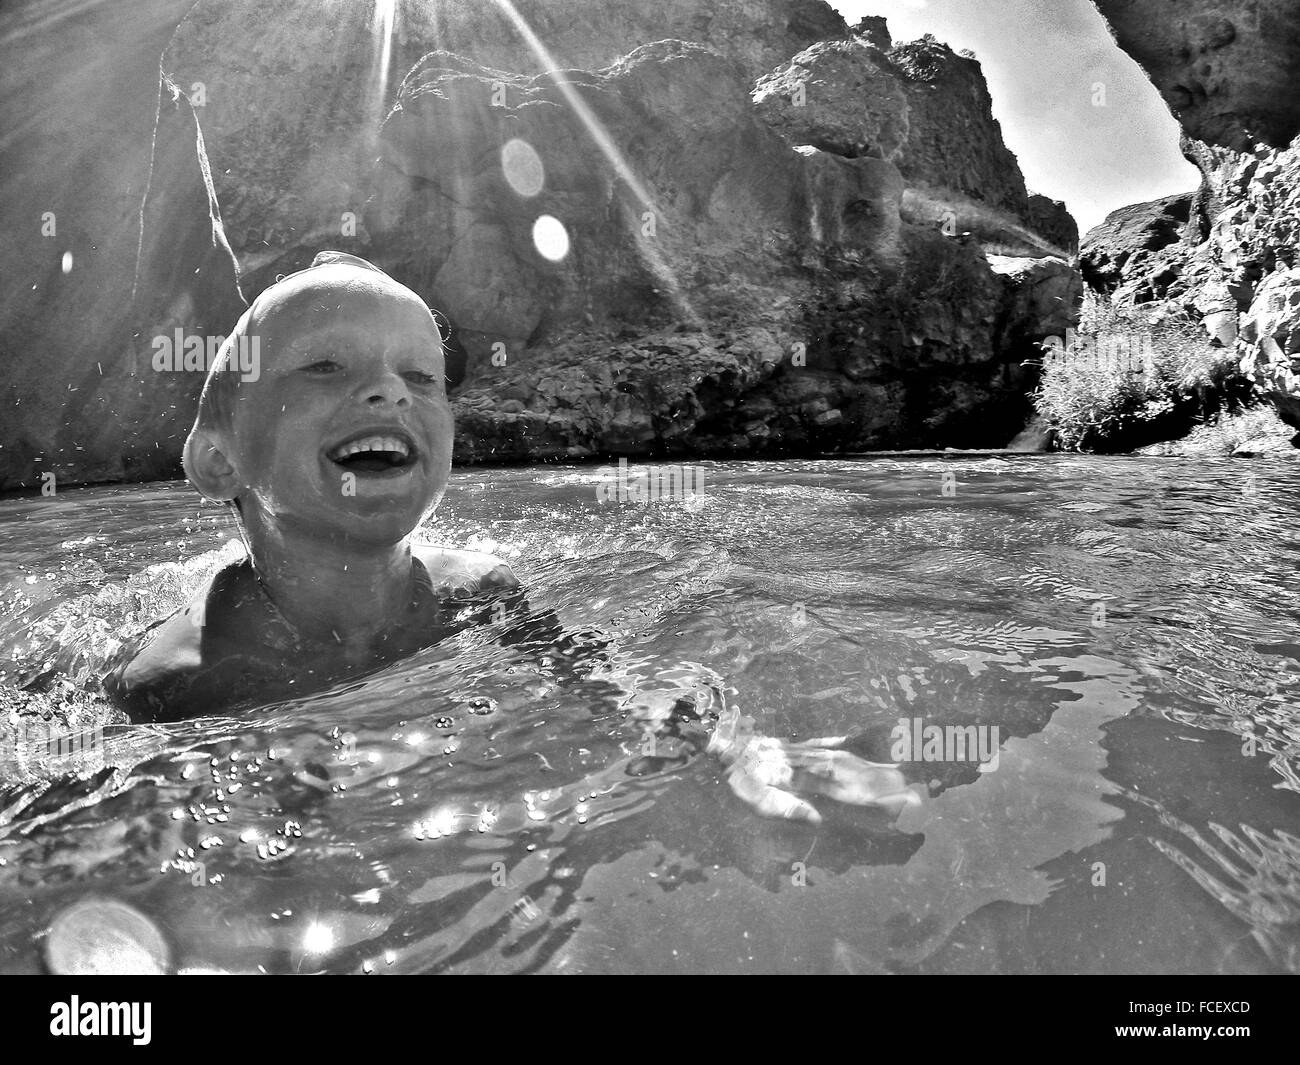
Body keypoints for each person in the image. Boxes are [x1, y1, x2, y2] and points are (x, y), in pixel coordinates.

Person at [104, 251, 918, 823]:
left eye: (422, 377)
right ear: (218, 458)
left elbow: (614, 683)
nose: (390, 392)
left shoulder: (483, 594)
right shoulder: (178, 686)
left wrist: (735, 746)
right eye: (324, 368)